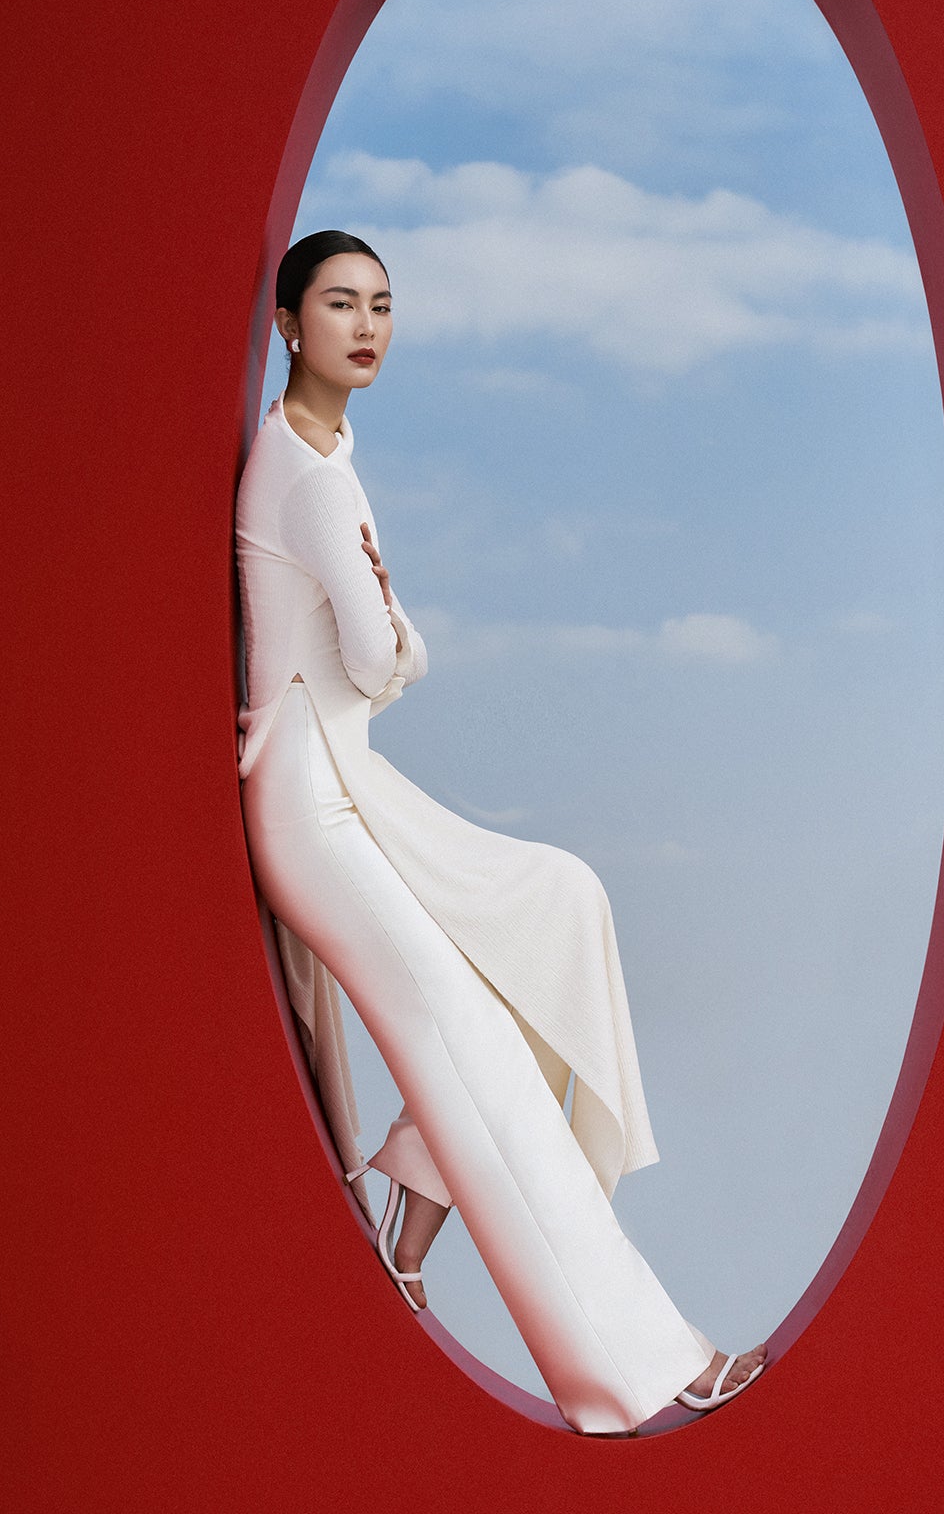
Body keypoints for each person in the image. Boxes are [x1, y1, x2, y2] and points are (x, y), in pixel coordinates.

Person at [235, 229, 767, 1434]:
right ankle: (643, 1366)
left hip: (349, 791)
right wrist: (401, 637)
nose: (366, 327)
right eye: (339, 304)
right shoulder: (313, 482)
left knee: (556, 907)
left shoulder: (324, 454)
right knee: (478, 1054)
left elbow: (368, 648)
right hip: (318, 812)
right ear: (287, 325)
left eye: (381, 305)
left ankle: (409, 1232)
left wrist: (387, 635)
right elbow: (377, 655)